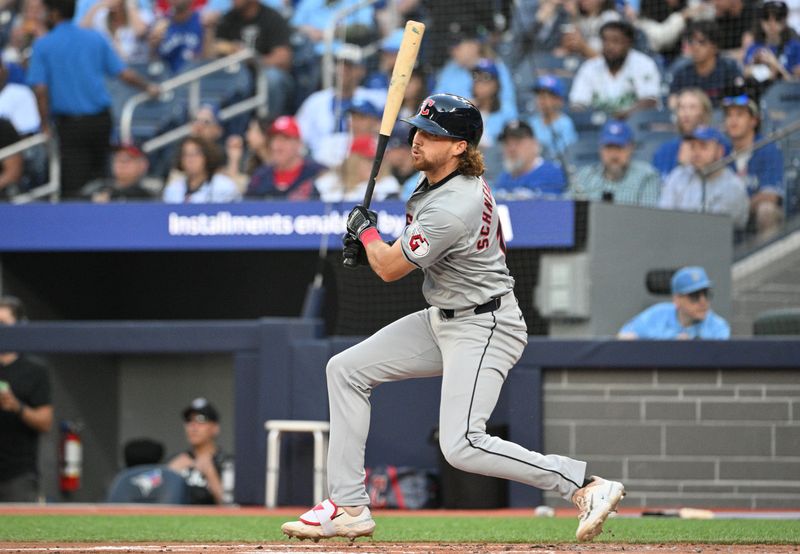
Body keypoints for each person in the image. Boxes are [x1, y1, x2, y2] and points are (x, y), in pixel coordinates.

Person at [281, 93, 625, 543]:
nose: (418, 139)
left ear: (460, 146)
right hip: (444, 316)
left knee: (461, 443)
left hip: (485, 325)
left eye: (433, 134)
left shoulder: (452, 204)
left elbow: (389, 268)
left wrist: (367, 235)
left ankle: (585, 485)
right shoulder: (437, 187)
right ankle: (348, 506)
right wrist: (372, 247)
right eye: (420, 130)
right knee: (345, 369)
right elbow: (399, 256)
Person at [26, 0, 160, 199]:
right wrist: (148, 86)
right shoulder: (94, 38)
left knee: (74, 189)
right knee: (101, 181)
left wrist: (45, 124)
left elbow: (40, 89)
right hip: (100, 121)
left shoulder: (44, 44)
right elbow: (123, 73)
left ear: (53, 14)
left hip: (71, 126)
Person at [0, 296, 53, 502]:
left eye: (4, 324)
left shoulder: (34, 369)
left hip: (18, 474)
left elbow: (45, 422)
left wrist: (16, 406)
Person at [294, 45, 385, 159]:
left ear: (361, 70)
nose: (343, 71)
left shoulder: (375, 99)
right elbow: (299, 137)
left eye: (349, 66)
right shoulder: (315, 102)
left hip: (361, 160)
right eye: (340, 65)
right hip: (321, 161)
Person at [659, 125, 750, 229]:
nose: (696, 153)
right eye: (693, 146)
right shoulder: (678, 175)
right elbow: (663, 218)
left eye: (703, 146)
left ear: (720, 151)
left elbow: (712, 229)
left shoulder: (733, 186)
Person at [568, 20, 662, 119]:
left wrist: (618, 117)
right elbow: (577, 104)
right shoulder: (589, 67)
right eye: (605, 40)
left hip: (634, 125)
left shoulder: (644, 64)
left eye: (616, 41)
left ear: (628, 43)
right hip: (599, 126)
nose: (609, 46)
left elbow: (650, 101)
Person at [721, 94, 785, 240]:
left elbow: (771, 195)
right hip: (726, 217)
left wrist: (740, 208)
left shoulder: (768, 148)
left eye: (739, 115)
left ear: (753, 121)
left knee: (767, 210)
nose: (733, 120)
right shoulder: (721, 151)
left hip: (753, 214)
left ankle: (769, 260)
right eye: (729, 115)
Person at [213, 0, 293, 116]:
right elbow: (210, 55)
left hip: (262, 74)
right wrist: (209, 29)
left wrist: (251, 58)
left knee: (272, 78)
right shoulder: (227, 19)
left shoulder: (272, 18)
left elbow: (284, 60)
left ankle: (266, 126)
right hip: (236, 75)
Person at [618, 266, 730, 339]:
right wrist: (671, 340)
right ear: (677, 299)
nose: (703, 301)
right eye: (694, 296)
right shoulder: (658, 314)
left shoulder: (718, 326)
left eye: (705, 294)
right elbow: (623, 336)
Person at [569, 120, 662, 207]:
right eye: (609, 148)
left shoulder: (647, 176)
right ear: (600, 149)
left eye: (619, 148)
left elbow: (647, 219)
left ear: (631, 148)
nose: (614, 155)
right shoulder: (584, 175)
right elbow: (566, 211)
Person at [168, 397, 234, 505]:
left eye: (201, 420)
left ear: (215, 428)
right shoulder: (176, 460)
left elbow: (232, 507)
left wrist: (210, 473)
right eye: (189, 420)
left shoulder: (227, 463)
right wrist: (168, 473)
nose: (193, 426)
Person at [244, 115, 325, 200]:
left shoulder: (317, 173)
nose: (276, 146)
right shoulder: (260, 177)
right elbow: (246, 208)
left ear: (298, 143)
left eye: (284, 139)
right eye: (273, 139)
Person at [668, 20, 744, 107]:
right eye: (691, 42)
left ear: (715, 46)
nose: (695, 47)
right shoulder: (682, 73)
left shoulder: (730, 69)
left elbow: (741, 100)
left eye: (701, 42)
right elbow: (672, 103)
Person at [313, 135, 399, 203]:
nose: (373, 165)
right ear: (353, 161)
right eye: (368, 160)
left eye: (376, 160)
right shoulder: (327, 183)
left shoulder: (388, 185)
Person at [493, 120, 566, 200]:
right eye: (507, 143)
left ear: (534, 144)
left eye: (518, 142)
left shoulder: (551, 172)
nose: (511, 148)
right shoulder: (504, 177)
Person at [742, 1, 800, 98]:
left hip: (785, 98)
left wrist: (775, 65)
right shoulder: (753, 48)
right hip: (757, 97)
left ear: (784, 20)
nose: (771, 24)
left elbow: (795, 86)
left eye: (777, 18)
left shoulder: (795, 47)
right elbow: (743, 76)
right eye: (766, 18)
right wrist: (753, 64)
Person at [652, 88, 713, 179]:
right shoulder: (664, 150)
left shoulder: (717, 146)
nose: (686, 113)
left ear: (704, 112)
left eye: (692, 107)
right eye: (681, 107)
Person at [162, 136, 240, 202]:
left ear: (206, 157)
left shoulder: (223, 186)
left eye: (195, 154)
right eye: (186, 154)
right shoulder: (173, 189)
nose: (190, 159)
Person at [81, 143, 156, 202]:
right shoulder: (97, 187)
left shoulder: (153, 188)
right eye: (117, 159)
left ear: (143, 164)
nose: (121, 164)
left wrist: (114, 196)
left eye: (127, 160)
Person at [529, 75, 577, 162]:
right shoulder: (532, 122)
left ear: (559, 100)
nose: (541, 101)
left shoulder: (565, 124)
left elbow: (564, 154)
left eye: (545, 96)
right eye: (539, 96)